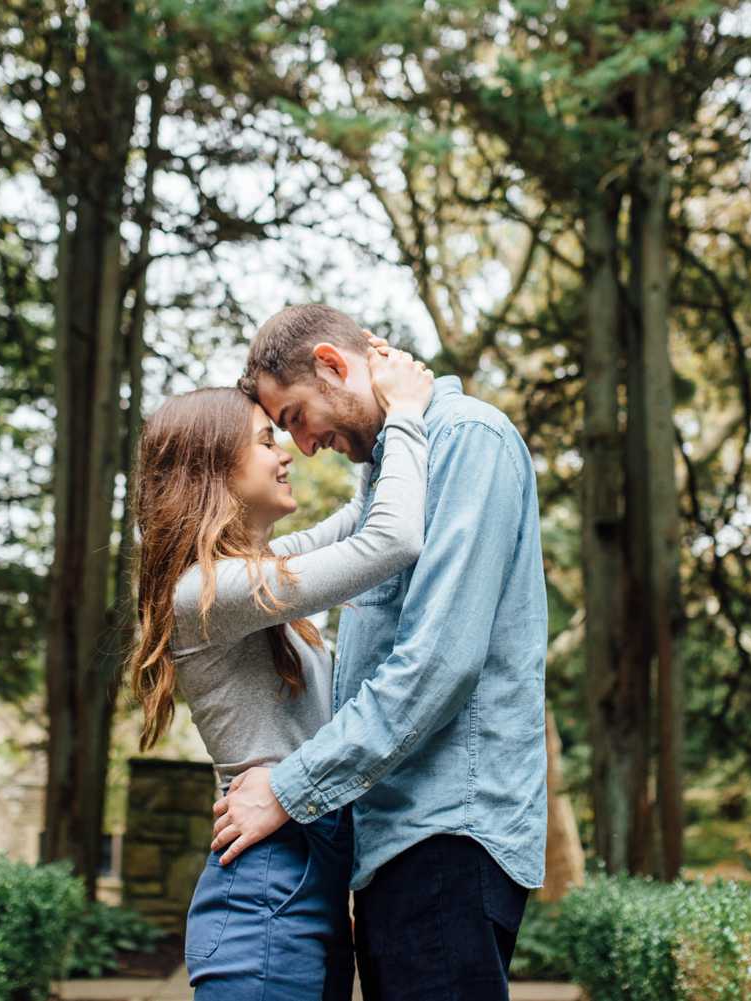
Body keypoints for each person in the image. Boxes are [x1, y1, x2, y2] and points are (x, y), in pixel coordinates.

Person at [211, 303, 548, 1001]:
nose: (302, 445)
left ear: (334, 363)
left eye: (297, 415)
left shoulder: (467, 439)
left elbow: (439, 661)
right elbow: (316, 556)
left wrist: (288, 786)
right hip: (401, 838)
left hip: (449, 832)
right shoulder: (400, 463)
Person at [125, 343, 436, 1000]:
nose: (288, 450)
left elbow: (365, 521)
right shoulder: (209, 591)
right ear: (214, 467)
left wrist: (368, 412)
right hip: (264, 890)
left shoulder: (253, 575)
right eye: (267, 439)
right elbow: (391, 542)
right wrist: (405, 413)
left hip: (309, 878)